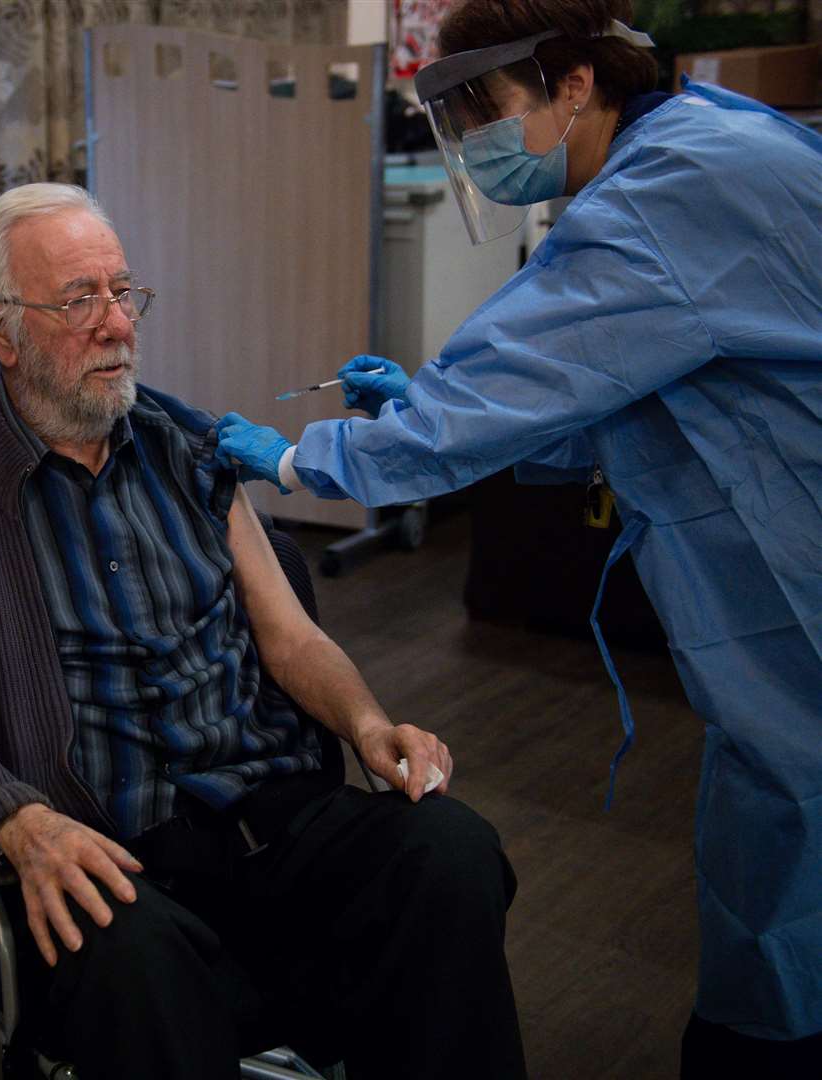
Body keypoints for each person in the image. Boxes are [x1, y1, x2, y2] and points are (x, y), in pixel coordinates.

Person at [213, 1, 822, 1071]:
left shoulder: (657, 196)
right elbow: (625, 385)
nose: (476, 142)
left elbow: (528, 378)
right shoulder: (706, 132)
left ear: (573, 82)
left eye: (484, 109)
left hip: (800, 554)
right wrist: (426, 410)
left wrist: (310, 462)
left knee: (794, 831)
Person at [0, 183, 526, 1079]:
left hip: (271, 816)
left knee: (451, 854)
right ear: (3, 332)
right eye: (78, 299)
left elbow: (289, 638)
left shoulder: (180, 442)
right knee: (138, 968)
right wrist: (15, 820)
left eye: (123, 292)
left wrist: (367, 726)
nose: (116, 324)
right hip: (106, 848)